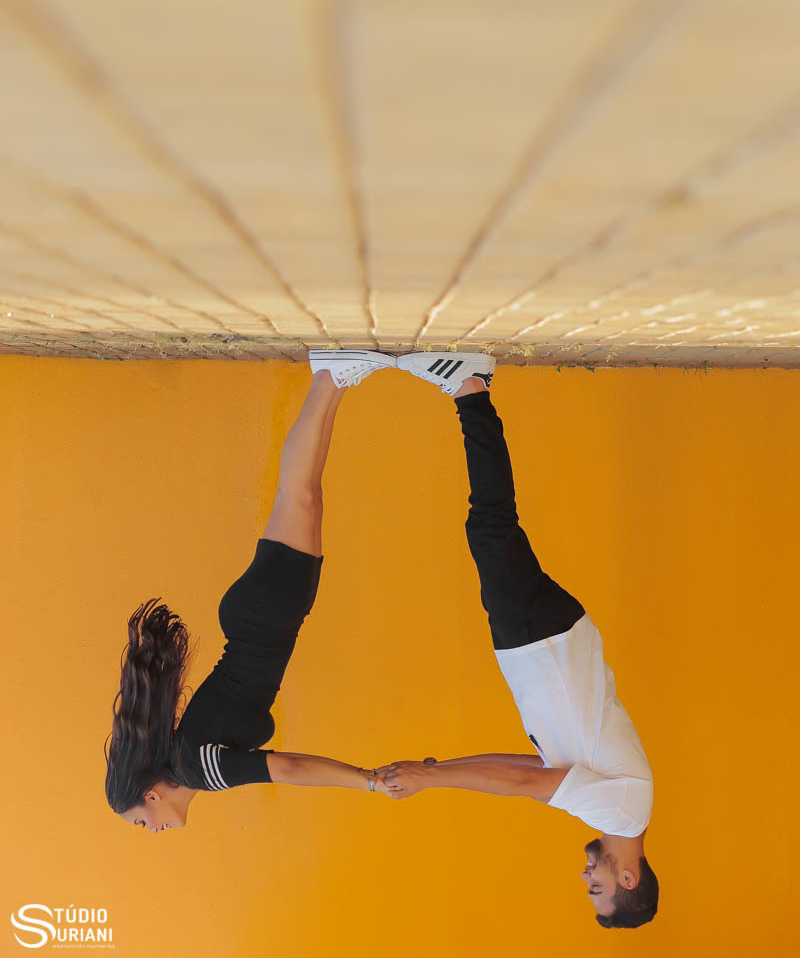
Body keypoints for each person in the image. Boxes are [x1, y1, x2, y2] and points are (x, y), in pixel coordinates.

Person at [379, 351, 658, 929]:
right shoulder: (623, 815)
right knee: (490, 524)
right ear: (628, 879)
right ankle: (468, 385)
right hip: (544, 646)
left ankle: (472, 388)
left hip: (547, 643)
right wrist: (430, 779)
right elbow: (524, 782)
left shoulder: (616, 811)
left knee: (493, 525)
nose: (588, 880)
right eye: (598, 890)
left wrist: (441, 766)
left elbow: (521, 764)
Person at [104, 351, 399, 833]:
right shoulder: (188, 759)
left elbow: (290, 769)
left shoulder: (199, 770)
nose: (151, 830)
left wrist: (367, 781)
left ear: (150, 795)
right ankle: (335, 380)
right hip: (260, 616)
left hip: (268, 617)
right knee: (304, 494)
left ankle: (329, 376)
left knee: (299, 494)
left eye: (141, 821)